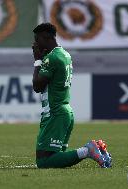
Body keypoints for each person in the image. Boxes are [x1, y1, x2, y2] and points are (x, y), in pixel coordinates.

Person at [32, 23, 112, 168]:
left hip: (55, 113)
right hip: (65, 111)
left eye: (37, 40)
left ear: (46, 38)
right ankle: (98, 149)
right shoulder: (65, 54)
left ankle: (88, 150)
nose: (35, 44)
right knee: (57, 159)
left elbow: (37, 86)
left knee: (44, 161)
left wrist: (37, 60)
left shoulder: (52, 58)